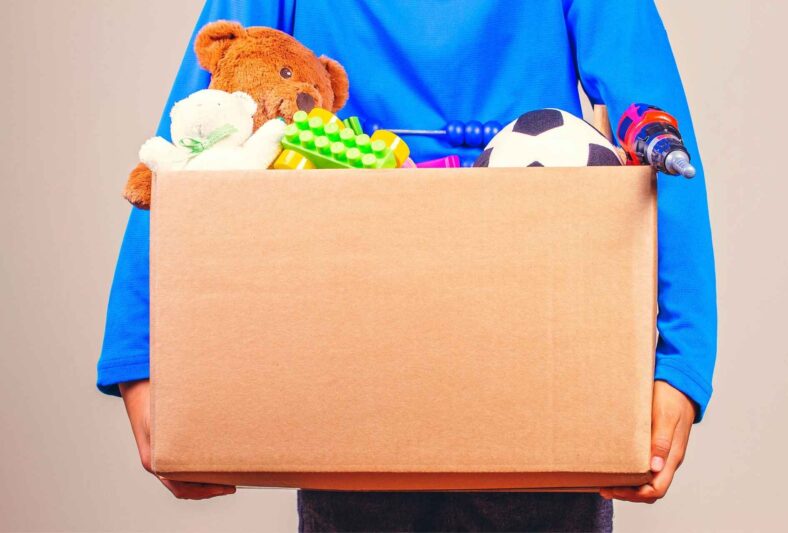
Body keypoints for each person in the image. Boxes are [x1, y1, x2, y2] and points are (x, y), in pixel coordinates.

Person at [99, 1, 716, 531]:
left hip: (531, 332)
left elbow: (658, 126)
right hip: (354, 333)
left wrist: (681, 362)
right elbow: (194, 131)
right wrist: (139, 353)